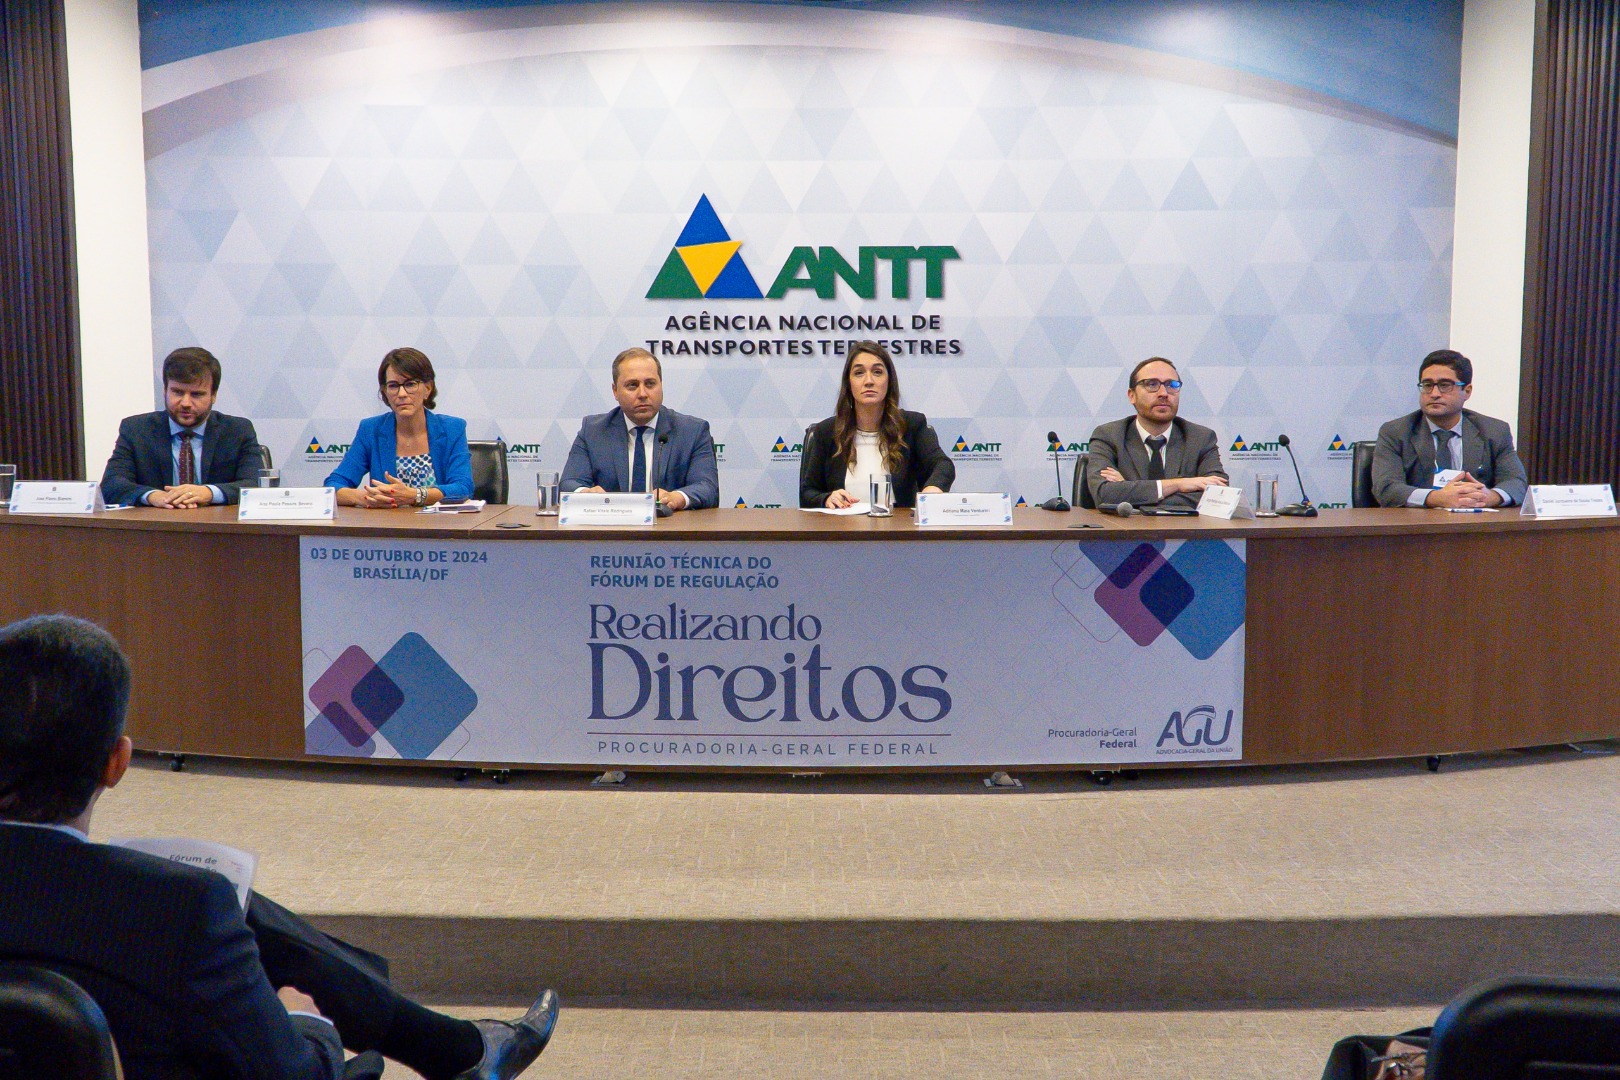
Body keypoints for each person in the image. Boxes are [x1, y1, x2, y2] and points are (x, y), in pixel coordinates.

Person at [0, 614, 558, 1080]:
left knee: (239, 910)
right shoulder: (177, 909)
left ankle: (455, 1049)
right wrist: (308, 1024)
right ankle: (453, 1051)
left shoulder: (180, 903)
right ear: (118, 763)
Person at [100, 346, 264, 508]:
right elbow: (111, 485)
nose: (186, 403)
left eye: (196, 394)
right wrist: (153, 496)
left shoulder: (237, 430)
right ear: (165, 391)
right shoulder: (136, 430)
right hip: (158, 523)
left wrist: (208, 493)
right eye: (177, 392)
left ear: (213, 395)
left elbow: (255, 484)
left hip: (217, 524)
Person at [560, 347, 719, 512]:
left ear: (661, 385)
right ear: (615, 391)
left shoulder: (692, 431)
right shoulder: (594, 431)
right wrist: (585, 493)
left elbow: (707, 487)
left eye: (650, 384)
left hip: (670, 526)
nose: (642, 393)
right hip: (613, 525)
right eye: (632, 385)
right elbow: (569, 483)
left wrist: (676, 497)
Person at [799, 341, 954, 509]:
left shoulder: (912, 425)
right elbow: (808, 492)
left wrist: (933, 489)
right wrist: (827, 498)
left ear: (889, 381)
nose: (869, 381)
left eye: (877, 372)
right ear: (849, 383)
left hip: (898, 524)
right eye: (859, 373)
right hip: (843, 524)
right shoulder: (826, 431)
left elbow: (942, 465)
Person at [1371, 348, 1528, 509]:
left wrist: (1489, 497)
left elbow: (1516, 482)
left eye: (1445, 385)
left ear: (1467, 391)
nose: (1434, 393)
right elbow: (1386, 488)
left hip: (1474, 522)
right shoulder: (1396, 432)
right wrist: (1436, 498)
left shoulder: (1494, 431)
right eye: (1427, 385)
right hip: (1417, 523)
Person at [326, 348, 474, 508]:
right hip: (389, 522)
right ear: (385, 392)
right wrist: (365, 497)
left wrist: (415, 496)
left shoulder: (452, 428)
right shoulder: (370, 430)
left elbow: (463, 488)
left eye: (410, 384)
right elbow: (333, 485)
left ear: (427, 388)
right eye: (393, 386)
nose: (402, 393)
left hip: (440, 522)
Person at [1087, 356, 1228, 510]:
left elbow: (1219, 496)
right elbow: (1104, 494)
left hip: (1182, 527)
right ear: (1132, 395)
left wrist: (1129, 490)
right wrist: (1179, 484)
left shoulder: (1200, 438)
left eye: (1171, 385)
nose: (1164, 393)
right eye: (1152, 384)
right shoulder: (1109, 435)